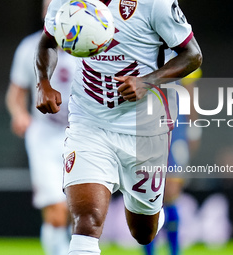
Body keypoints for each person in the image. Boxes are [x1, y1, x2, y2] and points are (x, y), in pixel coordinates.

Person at [34, 0, 202, 254]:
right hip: (89, 123)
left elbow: (193, 55)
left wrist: (147, 81)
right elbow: (47, 42)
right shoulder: (66, 1)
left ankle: (154, 214)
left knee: (143, 233)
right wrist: (43, 82)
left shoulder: (155, 3)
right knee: (86, 223)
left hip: (145, 130)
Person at [5, 1, 76, 254]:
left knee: (73, 210)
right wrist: (19, 113)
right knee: (55, 211)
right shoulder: (29, 48)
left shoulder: (90, 49)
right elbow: (15, 94)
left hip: (80, 137)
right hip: (44, 137)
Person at [144, 68, 202, 255]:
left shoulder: (181, 49)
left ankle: (174, 251)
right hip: (145, 128)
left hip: (175, 129)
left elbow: (190, 92)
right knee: (147, 191)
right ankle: (149, 251)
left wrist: (193, 128)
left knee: (170, 191)